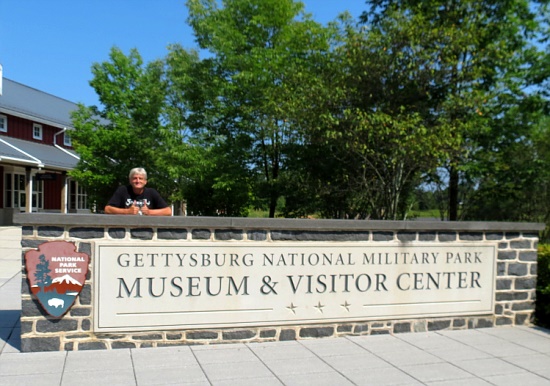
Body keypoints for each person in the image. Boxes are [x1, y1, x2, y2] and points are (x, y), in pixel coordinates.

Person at [104, 168, 172, 216]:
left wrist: (149, 212)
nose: (137, 181)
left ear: (145, 181)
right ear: (130, 181)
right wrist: (127, 211)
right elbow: (108, 209)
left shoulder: (151, 192)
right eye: (135, 178)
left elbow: (168, 211)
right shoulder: (123, 190)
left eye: (140, 178)